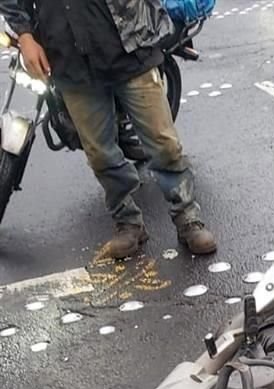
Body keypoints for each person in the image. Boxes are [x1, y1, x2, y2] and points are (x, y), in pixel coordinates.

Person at [0, 0, 217, 259]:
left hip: (130, 45)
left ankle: (188, 219)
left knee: (164, 144)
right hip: (69, 57)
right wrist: (25, 36)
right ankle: (128, 223)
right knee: (100, 154)